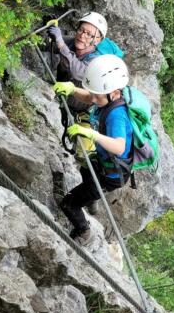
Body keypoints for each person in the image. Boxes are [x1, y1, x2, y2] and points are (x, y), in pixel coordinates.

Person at [53, 54, 133, 245]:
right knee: (84, 168)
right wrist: (72, 89)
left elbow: (119, 146)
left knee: (69, 203)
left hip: (110, 176)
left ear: (113, 92)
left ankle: (84, 232)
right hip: (103, 163)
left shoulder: (117, 116)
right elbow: (91, 96)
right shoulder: (107, 98)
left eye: (98, 95)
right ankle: (91, 199)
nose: (94, 98)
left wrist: (91, 134)